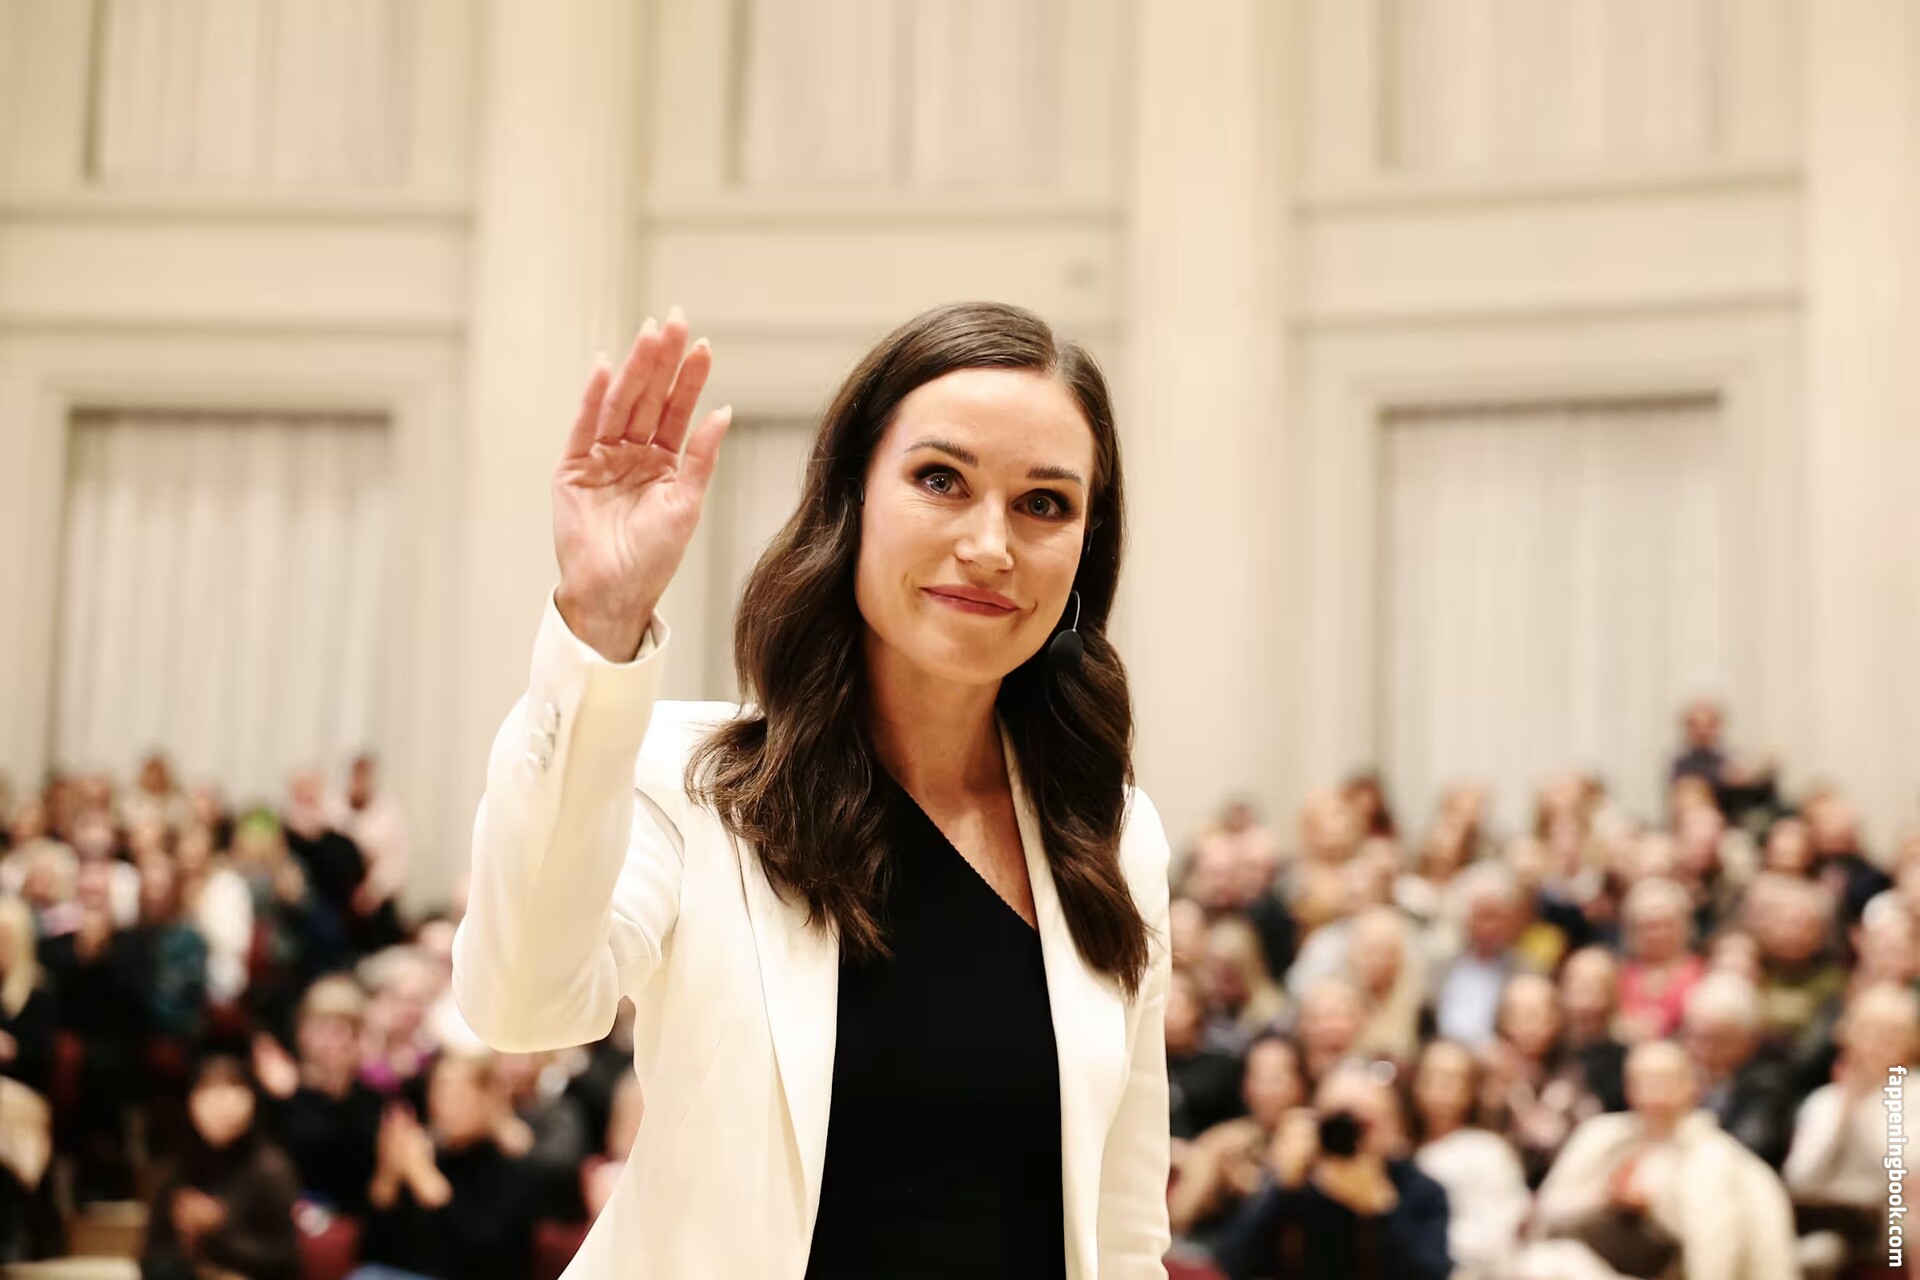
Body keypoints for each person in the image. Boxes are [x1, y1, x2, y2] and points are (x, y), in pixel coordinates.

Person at [454, 303, 1173, 1278]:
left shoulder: (1113, 832)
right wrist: (600, 622)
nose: (991, 544)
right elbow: (520, 1004)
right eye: (941, 480)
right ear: (850, 500)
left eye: (1044, 503)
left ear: (1089, 543)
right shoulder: (697, 784)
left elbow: (1123, 1232)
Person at [1210, 1058, 1452, 1280]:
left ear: (1392, 1127)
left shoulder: (1420, 1191)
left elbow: (1430, 1274)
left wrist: (1382, 1210)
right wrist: (1280, 1188)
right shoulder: (1299, 1180)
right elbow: (1232, 1263)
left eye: (1363, 1124)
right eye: (1334, 1121)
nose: (1347, 1134)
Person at [139, 1052, 301, 1280]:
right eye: (207, 1090)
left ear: (252, 1101)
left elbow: (284, 1256)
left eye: (232, 1089)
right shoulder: (179, 1168)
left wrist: (220, 1229)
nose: (219, 1103)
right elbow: (151, 1257)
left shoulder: (270, 1169)